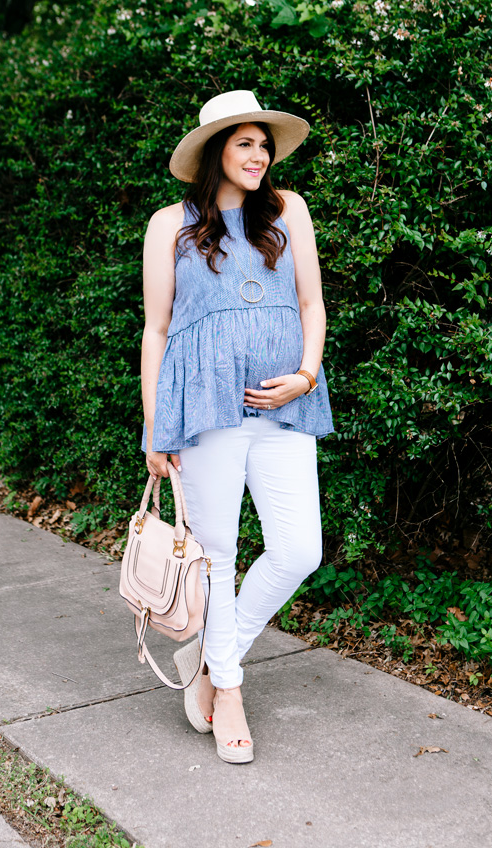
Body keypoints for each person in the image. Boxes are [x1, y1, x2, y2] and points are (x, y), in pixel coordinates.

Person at [141, 89, 334, 764]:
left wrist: (306, 374)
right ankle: (228, 691)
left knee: (299, 550)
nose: (258, 154)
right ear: (215, 151)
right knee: (217, 557)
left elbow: (312, 303)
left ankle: (210, 651)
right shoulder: (170, 224)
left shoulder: (289, 211)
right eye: (243, 143)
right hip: (205, 414)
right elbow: (157, 329)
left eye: (263, 144)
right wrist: (154, 427)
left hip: (286, 409)